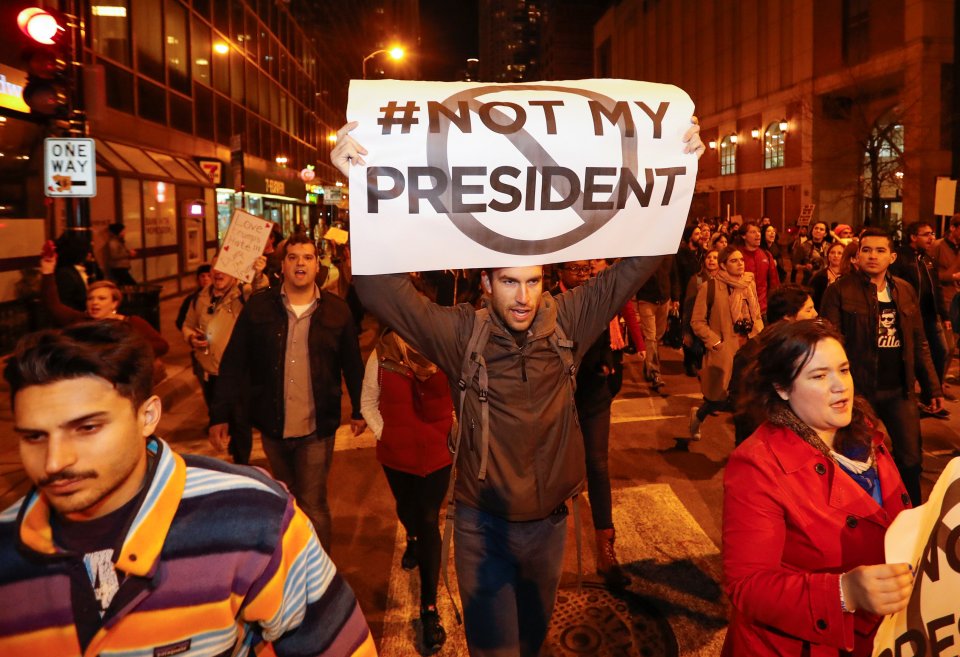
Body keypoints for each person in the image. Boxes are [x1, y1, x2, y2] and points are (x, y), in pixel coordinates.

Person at [332, 118, 704, 657]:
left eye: (532, 281)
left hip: (551, 527)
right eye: (509, 282)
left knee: (532, 645)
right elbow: (377, 287)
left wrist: (681, 170)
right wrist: (361, 190)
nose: (523, 297)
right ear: (486, 284)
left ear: (546, 282)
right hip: (483, 529)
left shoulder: (571, 320)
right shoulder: (463, 333)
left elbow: (640, 262)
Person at [0, 321, 375, 656]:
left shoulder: (250, 517)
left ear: (147, 416)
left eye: (87, 428)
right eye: (34, 437)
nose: (54, 462)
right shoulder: (7, 549)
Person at [723, 319, 914, 656]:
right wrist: (844, 592)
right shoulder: (757, 464)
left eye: (843, 370)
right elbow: (748, 586)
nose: (841, 387)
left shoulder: (865, 433)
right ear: (782, 388)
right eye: (819, 376)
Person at [209, 232, 367, 551]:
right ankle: (294, 558)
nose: (300, 263)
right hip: (273, 427)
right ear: (282, 266)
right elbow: (234, 361)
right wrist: (219, 413)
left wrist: (361, 409)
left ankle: (321, 574)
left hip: (316, 428)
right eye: (293, 257)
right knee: (288, 498)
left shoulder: (337, 311)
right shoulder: (258, 307)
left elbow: (352, 363)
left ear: (317, 266)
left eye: (307, 257)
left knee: (313, 501)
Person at [821, 228, 943, 505]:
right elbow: (830, 343)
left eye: (879, 250)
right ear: (857, 256)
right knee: (856, 460)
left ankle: (910, 516)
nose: (872, 256)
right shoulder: (839, 291)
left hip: (899, 390)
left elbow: (919, 341)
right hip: (859, 392)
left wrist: (932, 386)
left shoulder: (905, 290)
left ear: (892, 256)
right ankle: (860, 519)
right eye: (866, 250)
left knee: (911, 460)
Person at [361, 316, 453, 654]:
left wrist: (452, 430)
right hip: (396, 455)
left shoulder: (444, 349)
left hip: (437, 454)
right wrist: (386, 433)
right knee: (407, 510)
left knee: (429, 518)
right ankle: (411, 537)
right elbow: (367, 402)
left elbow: (462, 394)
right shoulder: (382, 355)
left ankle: (428, 608)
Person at [551, 260, 645, 589]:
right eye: (575, 270)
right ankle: (544, 549)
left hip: (593, 394)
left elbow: (606, 335)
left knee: (598, 464)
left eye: (586, 270)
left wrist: (606, 361)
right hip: (557, 399)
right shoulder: (547, 302)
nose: (582, 275)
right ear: (559, 272)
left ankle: (607, 548)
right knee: (555, 468)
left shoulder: (595, 297)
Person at [182, 257, 266, 465]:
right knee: (219, 414)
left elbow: (260, 292)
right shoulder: (200, 298)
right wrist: (192, 338)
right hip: (209, 371)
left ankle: (241, 461)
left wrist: (259, 274)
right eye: (215, 268)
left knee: (240, 419)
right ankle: (234, 448)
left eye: (225, 267)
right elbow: (187, 325)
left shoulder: (243, 294)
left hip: (236, 374)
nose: (219, 272)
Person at [688, 246, 763, 440]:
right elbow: (697, 321)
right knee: (718, 400)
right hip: (725, 350)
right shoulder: (710, 287)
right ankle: (698, 415)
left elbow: (756, 315)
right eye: (734, 261)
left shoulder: (749, 284)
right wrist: (716, 341)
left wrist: (760, 337)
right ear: (722, 264)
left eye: (741, 260)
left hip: (749, 347)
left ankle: (744, 446)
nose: (740, 264)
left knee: (746, 400)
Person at [730, 284, 818, 444]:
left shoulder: (806, 347)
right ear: (787, 316)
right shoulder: (752, 354)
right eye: (809, 310)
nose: (815, 314)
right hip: (764, 443)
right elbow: (741, 405)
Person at [39, 252, 169, 359]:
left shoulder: (131, 323)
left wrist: (125, 350)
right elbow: (53, 305)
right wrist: (47, 271)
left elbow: (161, 345)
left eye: (102, 298)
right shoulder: (80, 320)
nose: (95, 302)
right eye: (90, 298)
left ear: (114, 303)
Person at [891, 221, 952, 411]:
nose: (931, 238)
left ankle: (931, 395)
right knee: (913, 355)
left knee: (942, 351)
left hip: (930, 315)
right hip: (911, 317)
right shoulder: (900, 258)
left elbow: (937, 288)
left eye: (932, 234)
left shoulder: (927, 259)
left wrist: (944, 314)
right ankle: (915, 399)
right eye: (926, 234)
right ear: (913, 237)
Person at [635, 255, 680, 393]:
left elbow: (674, 275)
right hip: (646, 299)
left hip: (664, 299)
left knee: (657, 336)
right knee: (651, 337)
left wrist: (675, 297)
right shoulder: (642, 253)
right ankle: (655, 373)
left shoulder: (668, 254)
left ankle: (649, 364)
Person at [681, 248, 720, 376]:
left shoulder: (723, 281)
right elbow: (688, 307)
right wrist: (686, 332)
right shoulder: (696, 280)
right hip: (698, 326)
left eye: (715, 258)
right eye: (709, 257)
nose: (712, 260)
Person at [931, 213, 960, 383]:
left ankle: (940, 382)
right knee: (946, 347)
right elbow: (930, 275)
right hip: (943, 301)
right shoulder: (938, 247)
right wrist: (953, 276)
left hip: (956, 299)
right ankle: (936, 385)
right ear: (953, 228)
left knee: (953, 345)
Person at [741, 221, 780, 317]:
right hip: (741, 309)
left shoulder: (766, 255)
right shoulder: (737, 255)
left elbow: (774, 283)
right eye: (753, 232)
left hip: (762, 310)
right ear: (743, 236)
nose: (758, 235)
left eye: (758, 232)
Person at [174, 263, 212, 331]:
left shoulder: (218, 297)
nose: (206, 279)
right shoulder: (191, 299)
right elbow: (180, 322)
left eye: (209, 276)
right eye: (202, 276)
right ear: (198, 279)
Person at [809, 241, 845, 311]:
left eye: (840, 253)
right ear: (828, 255)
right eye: (832, 253)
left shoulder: (849, 276)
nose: (836, 255)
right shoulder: (819, 277)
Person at [793, 220, 830, 285]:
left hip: (826, 281)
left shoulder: (829, 247)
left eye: (821, 229)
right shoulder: (803, 246)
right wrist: (804, 267)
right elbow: (795, 265)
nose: (818, 231)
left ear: (825, 234)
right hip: (809, 281)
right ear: (812, 231)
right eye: (816, 228)